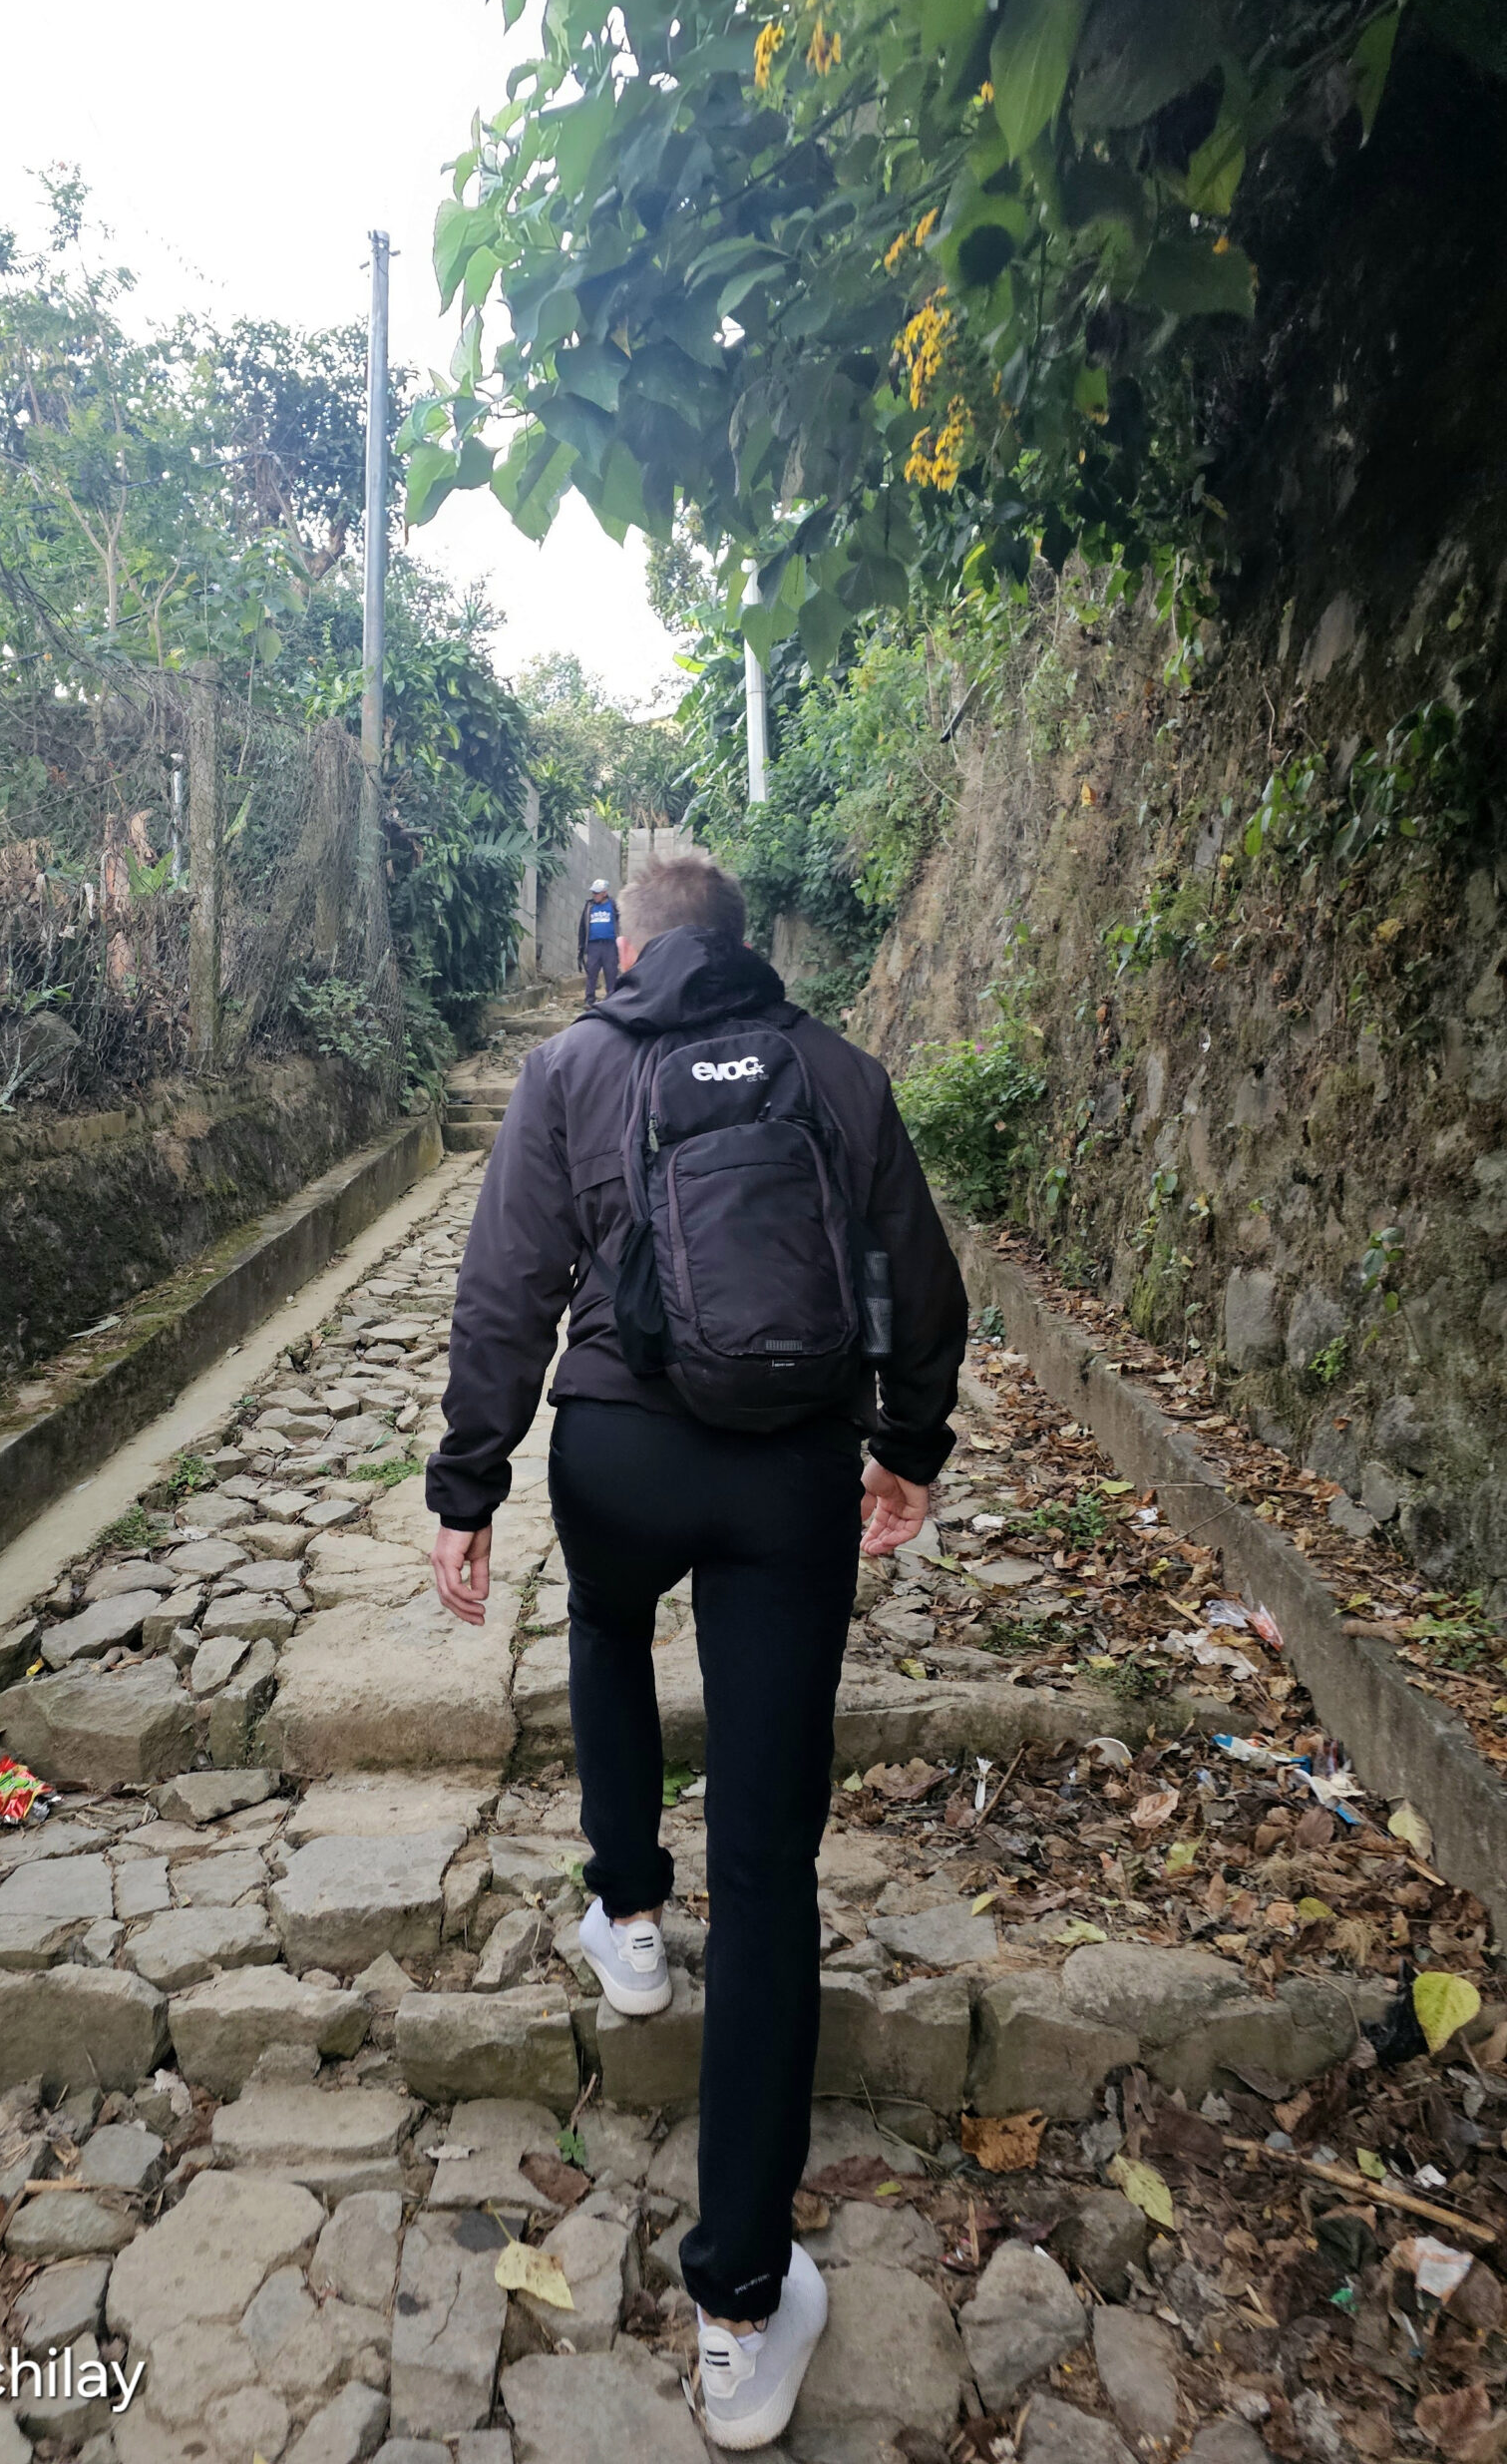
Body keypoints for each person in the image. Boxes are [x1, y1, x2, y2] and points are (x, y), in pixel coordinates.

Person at [427, 856, 966, 2452]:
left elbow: (507, 1286)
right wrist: (906, 1443)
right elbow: (914, 1281)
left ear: (632, 948)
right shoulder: (839, 1070)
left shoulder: (573, 1068)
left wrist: (467, 1483)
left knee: (602, 1619)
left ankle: (629, 1913)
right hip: (790, 1469)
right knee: (778, 1863)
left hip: (618, 1452)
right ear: (746, 950)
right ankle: (742, 2300)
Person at [577, 875, 620, 1004]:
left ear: (604, 893)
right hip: (593, 945)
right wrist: (581, 946)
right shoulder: (589, 907)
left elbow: (621, 921)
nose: (594, 895)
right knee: (591, 973)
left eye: (597, 893)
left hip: (610, 945)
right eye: (593, 892)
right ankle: (589, 1000)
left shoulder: (613, 905)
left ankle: (611, 1000)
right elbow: (582, 927)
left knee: (611, 973)